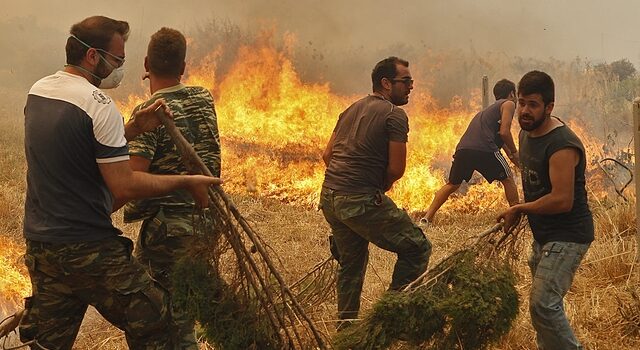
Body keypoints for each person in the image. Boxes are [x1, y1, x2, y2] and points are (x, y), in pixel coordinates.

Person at [20, 16, 220, 349]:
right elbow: (124, 186)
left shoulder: (39, 92)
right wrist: (185, 180)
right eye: (117, 60)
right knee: (159, 320)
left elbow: (76, 146)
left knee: (47, 343)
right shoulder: (100, 106)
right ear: (92, 57)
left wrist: (131, 129)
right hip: (89, 249)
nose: (120, 68)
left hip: (42, 246)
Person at [123, 27, 221, 349]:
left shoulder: (149, 113)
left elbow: (133, 181)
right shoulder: (204, 97)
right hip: (206, 222)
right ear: (183, 67)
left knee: (156, 321)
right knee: (184, 313)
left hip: (169, 233)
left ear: (146, 63)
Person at [319, 57, 432, 329]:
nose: (411, 87)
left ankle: (346, 331)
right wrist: (374, 188)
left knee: (351, 263)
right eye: (405, 81)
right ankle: (386, 322)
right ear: (385, 83)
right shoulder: (395, 115)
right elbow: (396, 169)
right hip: (358, 199)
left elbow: (327, 154)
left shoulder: (350, 109)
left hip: (330, 197)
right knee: (417, 248)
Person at [498, 71, 593, 349]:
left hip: (568, 236)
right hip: (545, 236)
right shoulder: (525, 134)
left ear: (549, 107)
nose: (525, 111)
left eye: (533, 105)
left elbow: (562, 200)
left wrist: (520, 208)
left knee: (543, 305)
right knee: (542, 310)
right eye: (522, 103)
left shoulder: (561, 144)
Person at [422, 79, 520, 224]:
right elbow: (505, 132)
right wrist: (515, 151)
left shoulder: (486, 113)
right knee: (507, 178)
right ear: (512, 94)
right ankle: (516, 214)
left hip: (464, 149)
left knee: (452, 184)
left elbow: (501, 140)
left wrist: (517, 162)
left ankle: (427, 218)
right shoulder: (509, 103)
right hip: (485, 148)